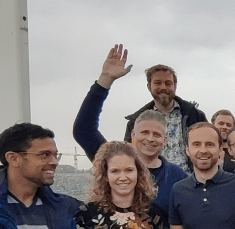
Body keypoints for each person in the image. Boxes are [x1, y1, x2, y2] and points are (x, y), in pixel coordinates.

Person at [73, 46, 186, 215]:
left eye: (156, 134)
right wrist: (105, 81)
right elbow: (83, 130)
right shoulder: (113, 161)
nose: (150, 138)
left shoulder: (178, 177)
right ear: (133, 135)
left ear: (165, 140)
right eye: (144, 132)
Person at [122, 57, 206, 166]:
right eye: (158, 83)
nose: (163, 87)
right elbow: (129, 156)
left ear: (175, 86)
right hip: (150, 176)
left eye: (168, 83)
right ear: (149, 87)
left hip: (189, 176)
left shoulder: (195, 116)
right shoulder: (135, 121)